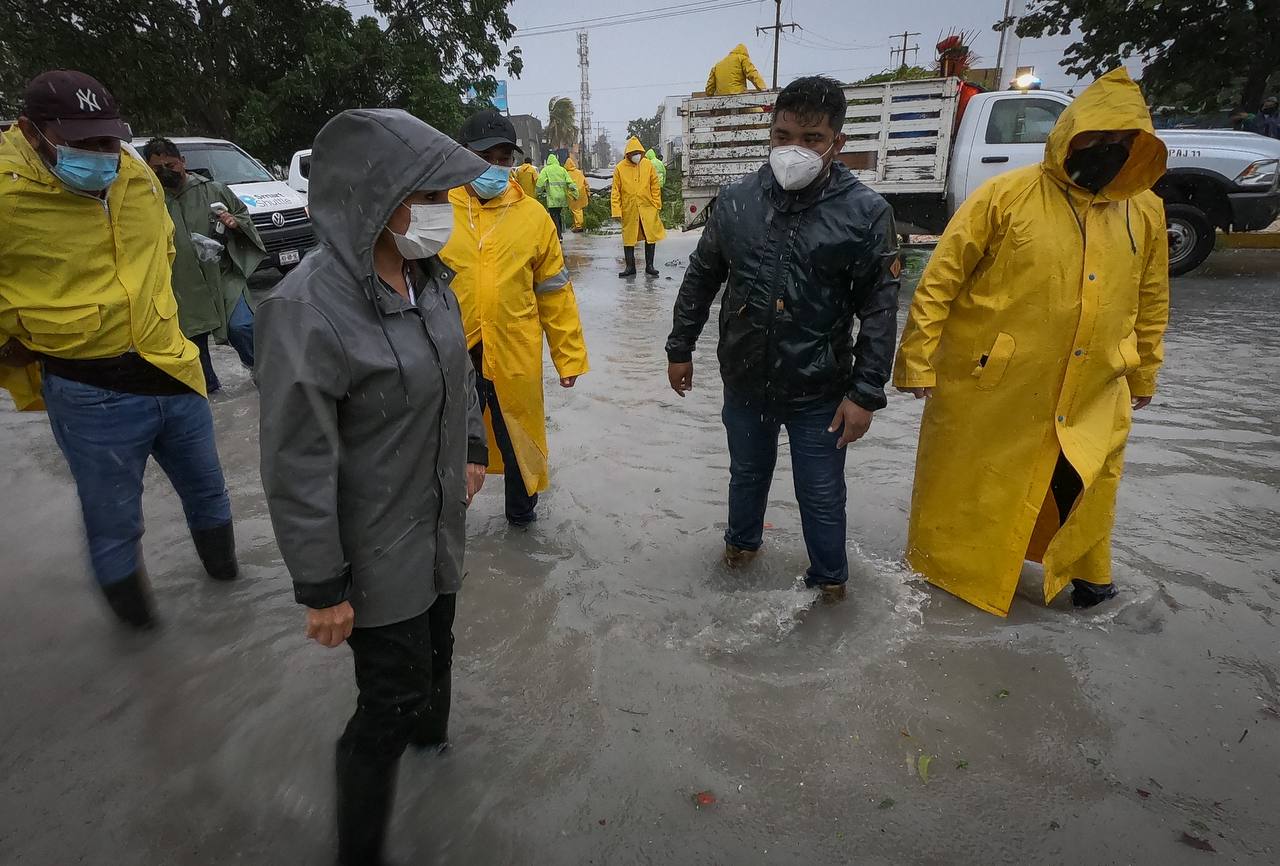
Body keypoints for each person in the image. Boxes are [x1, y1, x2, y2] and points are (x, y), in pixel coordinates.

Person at [255, 108, 491, 866]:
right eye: (424, 193)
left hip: (438, 522)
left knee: (440, 657)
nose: (440, 210)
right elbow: (296, 460)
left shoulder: (429, 276)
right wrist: (321, 586)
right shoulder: (308, 307)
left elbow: (462, 370)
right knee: (387, 704)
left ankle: (437, 775)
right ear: (370, 195)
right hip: (374, 550)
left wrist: (478, 444)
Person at [892, 68, 1170, 617]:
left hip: (1094, 384)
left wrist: (1144, 371)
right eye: (1097, 138)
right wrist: (917, 364)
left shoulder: (1147, 211)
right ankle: (953, 571)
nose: (1107, 152)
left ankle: (1087, 577)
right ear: (1069, 134)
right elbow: (938, 283)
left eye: (1122, 143)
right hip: (994, 383)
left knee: (1085, 477)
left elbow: (1152, 298)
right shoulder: (1005, 197)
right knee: (976, 482)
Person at [0, 70, 238, 629]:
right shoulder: (7, 190)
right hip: (88, 388)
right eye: (85, 145)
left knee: (211, 495)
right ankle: (147, 652)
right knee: (114, 523)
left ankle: (229, 598)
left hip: (171, 368)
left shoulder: (137, 177)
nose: (105, 155)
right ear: (35, 132)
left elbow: (161, 262)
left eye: (110, 140)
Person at [665, 76, 900, 602]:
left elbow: (880, 312)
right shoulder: (736, 201)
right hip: (746, 379)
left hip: (821, 390)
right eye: (783, 135)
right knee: (745, 476)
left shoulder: (865, 214)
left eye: (811, 138)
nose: (794, 149)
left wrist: (864, 394)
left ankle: (830, 591)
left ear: (836, 144)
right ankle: (738, 560)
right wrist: (680, 348)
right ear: (770, 134)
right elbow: (702, 276)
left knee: (820, 496)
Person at [442, 110, 589, 527]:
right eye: (485, 155)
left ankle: (521, 523)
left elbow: (555, 292)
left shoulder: (534, 218)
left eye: (504, 157)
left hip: (514, 347)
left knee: (517, 437)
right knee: (447, 439)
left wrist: (569, 356)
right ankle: (448, 525)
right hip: (454, 348)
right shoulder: (438, 210)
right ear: (462, 156)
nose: (496, 165)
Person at [144, 137, 265, 393]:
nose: (166, 171)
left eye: (171, 164)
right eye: (157, 168)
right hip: (182, 284)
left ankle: (262, 371)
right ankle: (209, 392)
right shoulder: (150, 202)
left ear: (183, 162)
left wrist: (234, 222)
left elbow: (243, 216)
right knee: (193, 344)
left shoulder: (214, 190)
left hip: (222, 278)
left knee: (242, 326)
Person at [612, 136, 665, 277]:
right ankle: (630, 267)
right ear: (628, 154)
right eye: (633, 153)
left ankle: (650, 266)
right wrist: (616, 210)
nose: (636, 156)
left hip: (648, 207)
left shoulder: (648, 165)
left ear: (642, 152)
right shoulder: (620, 168)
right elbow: (615, 191)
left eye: (638, 153)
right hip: (629, 209)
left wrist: (656, 203)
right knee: (629, 237)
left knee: (650, 235)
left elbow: (655, 185)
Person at [535, 152, 577, 239]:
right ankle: (559, 234)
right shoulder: (562, 169)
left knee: (554, 216)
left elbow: (540, 182)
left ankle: (558, 235)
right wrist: (575, 193)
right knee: (558, 215)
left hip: (552, 198)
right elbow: (570, 182)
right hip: (562, 197)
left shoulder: (546, 170)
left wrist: (537, 192)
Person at [565, 155, 590, 233]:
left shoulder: (566, 173)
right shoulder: (579, 172)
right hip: (582, 193)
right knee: (579, 209)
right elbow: (586, 183)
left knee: (576, 210)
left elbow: (565, 184)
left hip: (572, 193)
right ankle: (578, 224)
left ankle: (579, 226)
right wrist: (588, 192)